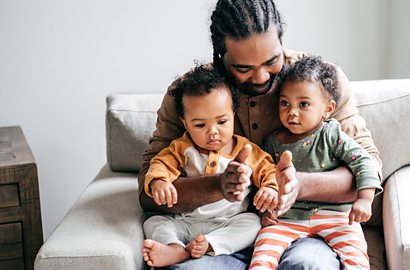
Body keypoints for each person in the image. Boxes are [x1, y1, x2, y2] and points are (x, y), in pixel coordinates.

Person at [139, 0, 382, 269]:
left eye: (272, 61)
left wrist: (297, 185)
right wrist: (219, 185)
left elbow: (368, 165)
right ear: (220, 57)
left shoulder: (318, 82)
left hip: (299, 226)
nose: (260, 77)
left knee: (309, 266)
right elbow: (147, 192)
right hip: (211, 234)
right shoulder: (190, 94)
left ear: (280, 42)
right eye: (243, 68)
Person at [249, 56, 383, 270]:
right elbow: (264, 178)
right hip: (287, 218)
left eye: (303, 104)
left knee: (356, 257)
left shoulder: (331, 133)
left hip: (336, 215)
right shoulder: (272, 142)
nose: (292, 112)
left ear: (327, 109)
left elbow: (363, 161)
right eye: (285, 103)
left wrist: (364, 200)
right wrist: (267, 210)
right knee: (263, 252)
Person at [142, 65, 279, 267]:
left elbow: (268, 170)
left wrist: (270, 189)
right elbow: (160, 163)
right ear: (185, 122)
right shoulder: (182, 147)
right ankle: (175, 249)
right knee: (153, 222)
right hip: (187, 220)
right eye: (200, 125)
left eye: (222, 121)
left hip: (230, 221)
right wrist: (159, 181)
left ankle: (211, 245)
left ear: (233, 114)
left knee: (252, 223)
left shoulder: (247, 149)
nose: (212, 132)